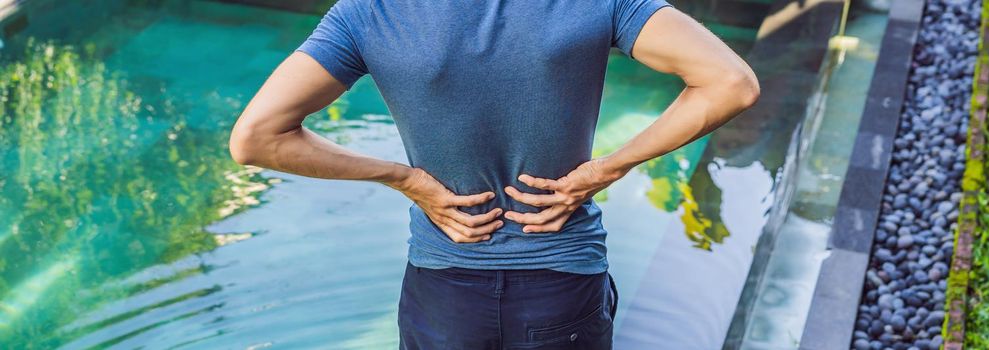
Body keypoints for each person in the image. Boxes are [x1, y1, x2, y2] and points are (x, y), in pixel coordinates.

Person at [229, 0, 758, 348]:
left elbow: (257, 137)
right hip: (562, 279)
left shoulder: (371, 12)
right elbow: (730, 82)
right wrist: (604, 169)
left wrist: (402, 178)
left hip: (443, 290)